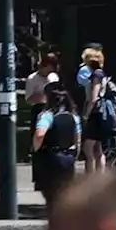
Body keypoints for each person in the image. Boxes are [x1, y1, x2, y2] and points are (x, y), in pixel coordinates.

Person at [31, 81, 80, 210]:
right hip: (68, 156)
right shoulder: (73, 116)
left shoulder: (47, 115)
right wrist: (75, 153)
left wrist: (36, 148)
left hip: (51, 157)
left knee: (52, 193)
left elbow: (40, 134)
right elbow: (77, 138)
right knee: (66, 189)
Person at [78, 47, 109, 174]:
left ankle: (91, 178)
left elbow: (94, 97)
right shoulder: (100, 73)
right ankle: (98, 178)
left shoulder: (96, 75)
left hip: (95, 113)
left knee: (88, 149)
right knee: (98, 149)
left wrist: (86, 114)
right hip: (100, 114)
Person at [25, 53, 60, 132]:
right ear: (46, 66)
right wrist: (40, 97)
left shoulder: (54, 77)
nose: (51, 72)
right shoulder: (32, 78)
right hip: (39, 110)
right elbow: (28, 99)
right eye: (50, 69)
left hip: (53, 109)